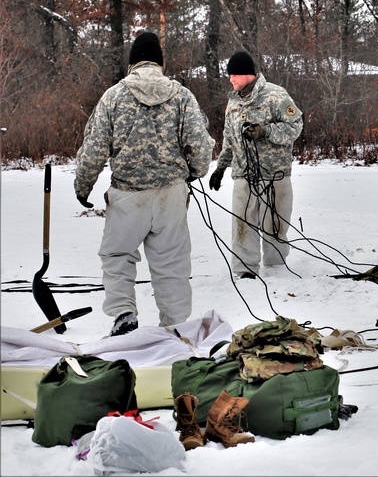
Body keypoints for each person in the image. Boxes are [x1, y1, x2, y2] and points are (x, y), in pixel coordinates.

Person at [75, 32, 215, 336]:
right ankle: (176, 327)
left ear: (131, 63)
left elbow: (94, 150)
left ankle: (124, 313)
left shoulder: (113, 96)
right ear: (160, 63)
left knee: (117, 256)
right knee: (172, 264)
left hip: (127, 195)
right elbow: (202, 148)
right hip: (171, 196)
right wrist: (193, 172)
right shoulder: (182, 96)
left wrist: (82, 187)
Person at [208, 50, 303, 280]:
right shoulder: (233, 102)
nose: (231, 80)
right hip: (243, 175)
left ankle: (276, 268)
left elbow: (295, 126)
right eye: (229, 76)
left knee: (275, 226)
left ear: (248, 74)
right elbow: (229, 139)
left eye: (235, 76)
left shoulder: (275, 95)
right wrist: (221, 168)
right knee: (242, 226)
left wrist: (265, 131)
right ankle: (245, 271)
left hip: (275, 176)